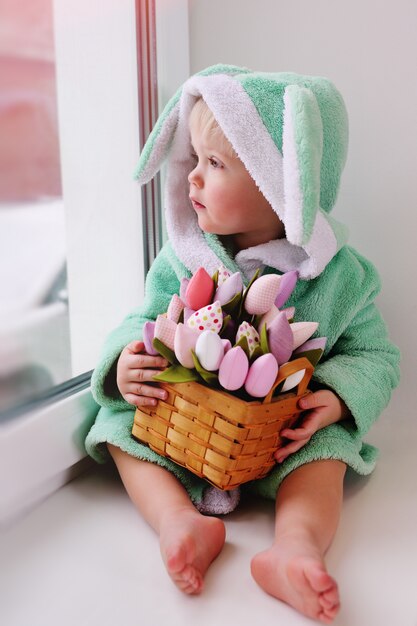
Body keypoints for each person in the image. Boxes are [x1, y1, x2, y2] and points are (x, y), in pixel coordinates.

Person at [85, 65, 400, 623]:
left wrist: (336, 397)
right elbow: (140, 318)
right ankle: (177, 521)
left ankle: (294, 546)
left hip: (281, 441)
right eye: (194, 159)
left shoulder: (341, 277)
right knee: (114, 430)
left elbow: (376, 355)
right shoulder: (183, 257)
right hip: (186, 436)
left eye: (215, 163)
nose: (191, 178)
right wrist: (125, 364)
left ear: (279, 184)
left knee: (325, 459)